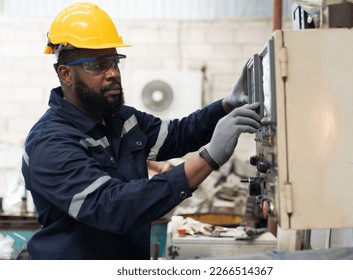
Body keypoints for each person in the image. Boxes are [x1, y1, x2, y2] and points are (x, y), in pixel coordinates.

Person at [21, 2, 260, 260]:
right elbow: (113, 207)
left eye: (114, 61)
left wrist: (226, 106)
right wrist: (208, 159)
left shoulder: (121, 119)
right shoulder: (50, 142)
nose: (113, 73)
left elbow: (179, 134)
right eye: (97, 65)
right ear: (66, 74)